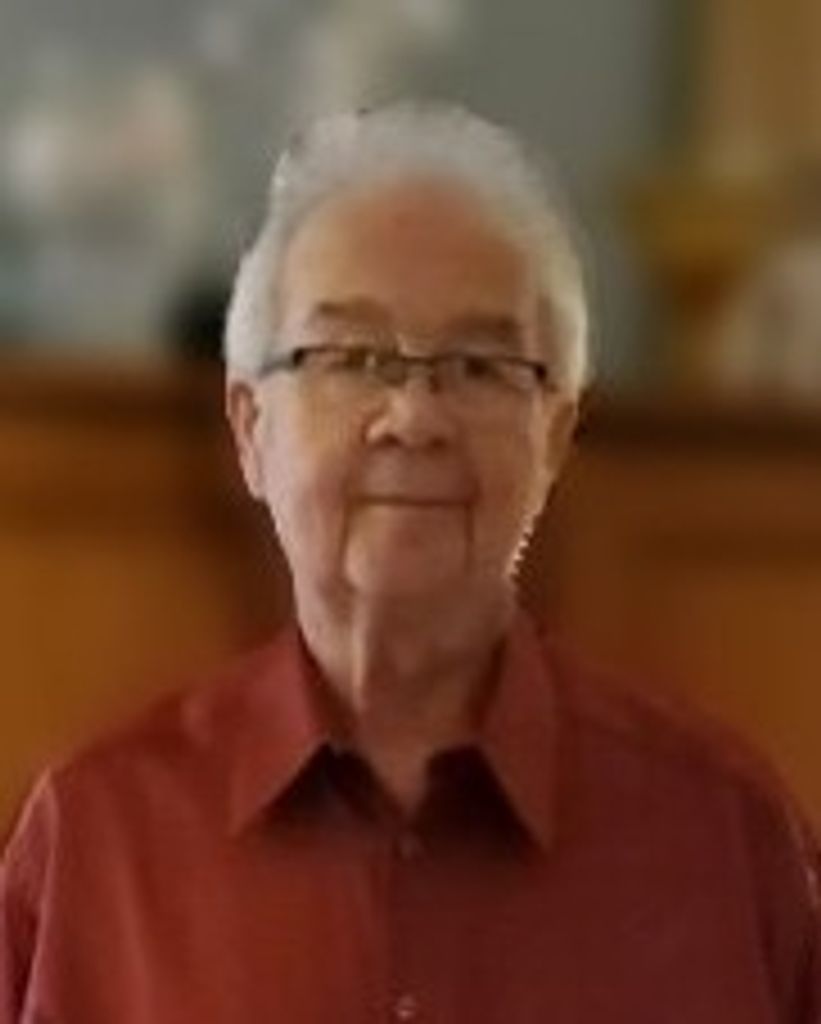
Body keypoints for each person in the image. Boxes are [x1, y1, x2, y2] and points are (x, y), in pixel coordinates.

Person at [1, 101, 819, 1023]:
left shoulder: (723, 838)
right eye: (352, 356)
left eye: (477, 366)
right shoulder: (94, 839)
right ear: (250, 428)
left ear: (554, 435)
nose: (415, 418)